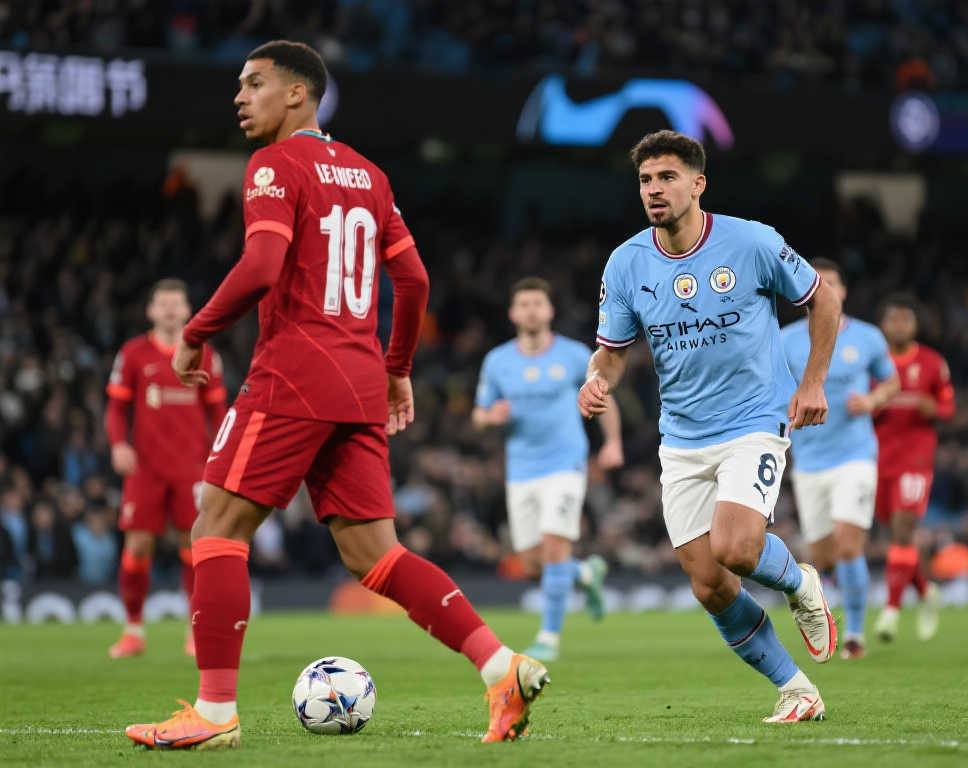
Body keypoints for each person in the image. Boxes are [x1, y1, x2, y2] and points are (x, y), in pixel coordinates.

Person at [125, 40, 547, 750]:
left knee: (216, 530)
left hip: (293, 373)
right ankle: (501, 666)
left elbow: (262, 265)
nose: (239, 97)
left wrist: (196, 333)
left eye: (254, 84)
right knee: (375, 554)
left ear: (297, 94)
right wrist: (396, 367)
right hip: (357, 381)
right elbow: (414, 281)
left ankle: (215, 712)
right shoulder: (370, 175)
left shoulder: (274, 165)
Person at [578, 129, 842, 723]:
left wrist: (813, 382)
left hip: (754, 419)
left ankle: (801, 585)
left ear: (698, 184)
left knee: (736, 548)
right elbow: (613, 353)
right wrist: (597, 380)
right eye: (645, 180)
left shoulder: (751, 241)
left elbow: (822, 300)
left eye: (667, 177)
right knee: (710, 584)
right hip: (682, 437)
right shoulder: (626, 262)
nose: (654, 189)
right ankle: (797, 691)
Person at [474, 276, 624, 662]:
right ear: (512, 313)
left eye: (537, 304)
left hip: (565, 462)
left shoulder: (574, 355)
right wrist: (491, 417)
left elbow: (603, 396)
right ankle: (585, 574)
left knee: (555, 545)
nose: (531, 311)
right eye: (523, 305)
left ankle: (548, 638)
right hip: (521, 469)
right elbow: (478, 415)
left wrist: (612, 443)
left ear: (550, 310)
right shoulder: (498, 361)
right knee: (530, 565)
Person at [781, 259, 900, 660]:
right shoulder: (785, 341)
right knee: (824, 557)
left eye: (831, 284)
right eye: (817, 284)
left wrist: (872, 400)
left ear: (843, 291)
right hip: (809, 461)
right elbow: (772, 388)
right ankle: (830, 598)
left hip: (855, 456)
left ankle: (855, 634)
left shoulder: (867, 337)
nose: (824, 290)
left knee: (849, 545)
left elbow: (891, 381)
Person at [105, 278, 227, 658]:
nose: (171, 310)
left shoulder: (204, 354)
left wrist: (220, 456)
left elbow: (218, 411)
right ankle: (133, 632)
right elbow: (116, 408)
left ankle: (195, 632)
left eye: (177, 303)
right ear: (151, 310)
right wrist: (118, 444)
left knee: (194, 546)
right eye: (163, 304)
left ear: (188, 310)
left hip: (192, 467)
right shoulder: (134, 353)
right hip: (146, 468)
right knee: (138, 545)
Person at [872, 293, 954, 643]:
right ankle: (925, 591)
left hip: (916, 458)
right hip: (877, 458)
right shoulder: (873, 362)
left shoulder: (932, 362)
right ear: (882, 325)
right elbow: (858, 404)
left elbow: (949, 407)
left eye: (906, 319)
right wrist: (875, 404)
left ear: (916, 324)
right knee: (895, 535)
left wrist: (933, 408)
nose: (900, 325)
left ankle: (891, 611)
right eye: (894, 319)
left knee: (903, 529)